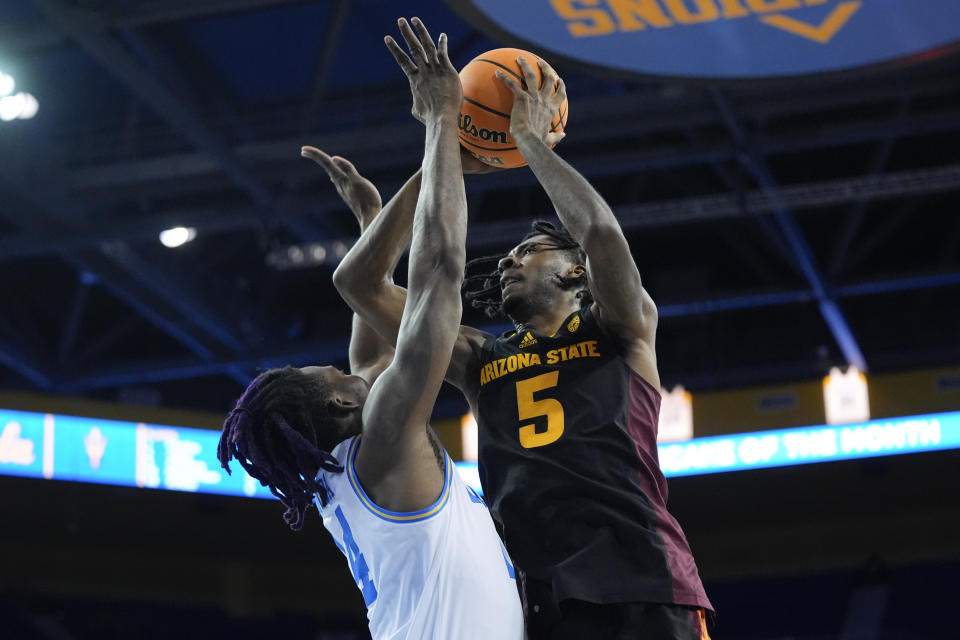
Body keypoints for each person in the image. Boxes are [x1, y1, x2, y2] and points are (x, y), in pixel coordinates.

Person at [325, 49, 713, 639]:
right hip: (537, 596)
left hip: (642, 575)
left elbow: (602, 233)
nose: (507, 262)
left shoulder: (620, 331)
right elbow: (359, 283)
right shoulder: (482, 358)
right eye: (508, 256)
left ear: (577, 273)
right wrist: (444, 149)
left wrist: (529, 142)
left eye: (528, 253)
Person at [217, 18, 524, 640]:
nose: (344, 368)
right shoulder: (381, 442)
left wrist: (371, 216)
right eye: (328, 372)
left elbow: (372, 342)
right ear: (336, 400)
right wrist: (441, 122)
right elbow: (439, 276)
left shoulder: (354, 458)